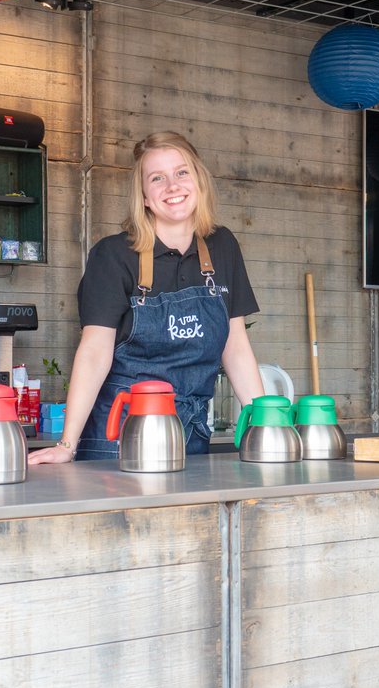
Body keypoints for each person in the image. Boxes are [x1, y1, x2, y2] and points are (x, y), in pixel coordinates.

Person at [30, 131, 264, 464]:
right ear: (143, 196)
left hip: (191, 434)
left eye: (182, 172)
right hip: (120, 436)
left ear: (199, 180)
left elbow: (236, 346)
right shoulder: (113, 255)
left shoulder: (222, 246)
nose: (173, 185)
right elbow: (95, 352)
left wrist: (266, 426)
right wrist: (66, 445)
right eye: (157, 178)